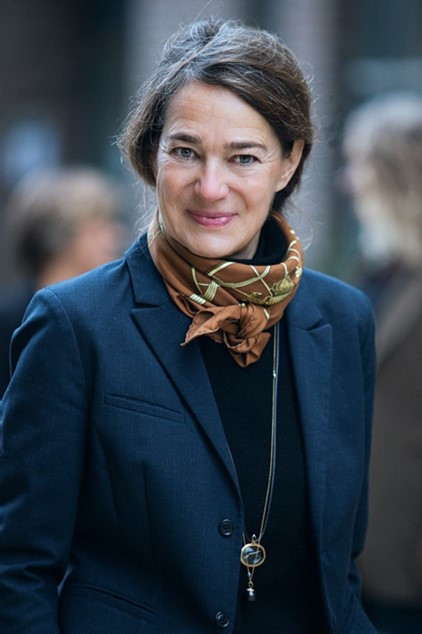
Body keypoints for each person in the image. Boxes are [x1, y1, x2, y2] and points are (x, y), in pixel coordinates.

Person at [0, 18, 377, 633]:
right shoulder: (75, 324)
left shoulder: (342, 319)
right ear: (152, 154)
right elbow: (17, 567)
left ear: (289, 163)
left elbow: (341, 569)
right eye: (185, 151)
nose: (210, 186)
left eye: (243, 157)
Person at [342, 92, 422, 634]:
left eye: (359, 164)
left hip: (405, 567)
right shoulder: (375, 270)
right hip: (355, 557)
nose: (347, 182)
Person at [0, 166, 124, 396]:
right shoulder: (8, 319)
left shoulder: (111, 313)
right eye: (99, 225)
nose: (115, 235)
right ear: (58, 234)